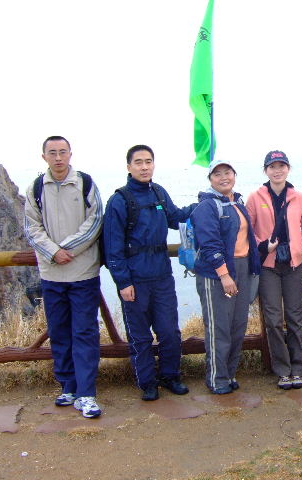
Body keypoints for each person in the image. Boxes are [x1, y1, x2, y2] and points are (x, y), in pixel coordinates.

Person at [104, 145, 195, 401]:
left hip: (162, 275)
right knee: (140, 336)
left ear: (154, 164)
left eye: (148, 161)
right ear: (129, 167)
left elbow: (176, 217)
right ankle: (147, 383)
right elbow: (112, 247)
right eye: (139, 162)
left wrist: (203, 203)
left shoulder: (158, 193)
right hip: (135, 279)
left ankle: (170, 375)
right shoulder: (119, 200)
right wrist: (123, 282)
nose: (144, 167)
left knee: (169, 331)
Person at [24, 136, 103, 418]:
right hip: (51, 274)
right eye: (52, 153)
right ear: (44, 156)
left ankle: (87, 393)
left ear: (70, 154)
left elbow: (95, 221)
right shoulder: (36, 188)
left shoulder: (85, 183)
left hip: (83, 272)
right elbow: (31, 227)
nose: (58, 157)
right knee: (59, 332)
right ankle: (68, 386)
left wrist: (66, 249)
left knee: (84, 332)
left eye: (62, 152)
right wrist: (54, 252)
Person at [193, 159, 260, 394]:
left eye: (228, 172)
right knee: (219, 328)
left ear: (234, 175)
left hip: (242, 268)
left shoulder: (237, 202)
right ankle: (217, 378)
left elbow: (246, 239)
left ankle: (230, 374)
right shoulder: (206, 207)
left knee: (237, 327)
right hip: (216, 274)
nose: (224, 177)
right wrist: (224, 274)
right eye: (217, 174)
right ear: (210, 179)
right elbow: (209, 244)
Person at [246, 151, 302, 390]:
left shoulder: (298, 197)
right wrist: (263, 245)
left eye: (281, 166)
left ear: (288, 169)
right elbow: (247, 229)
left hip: (293, 264)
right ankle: (283, 370)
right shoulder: (255, 197)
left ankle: (298, 368)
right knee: (273, 320)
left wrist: (300, 243)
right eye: (272, 166)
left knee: (295, 317)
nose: (277, 170)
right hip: (268, 266)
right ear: (266, 170)